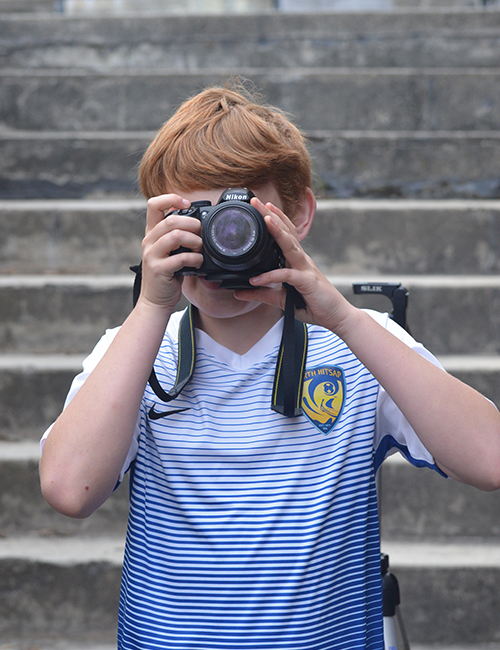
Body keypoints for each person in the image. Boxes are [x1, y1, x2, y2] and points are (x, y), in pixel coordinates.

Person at [39, 82, 500, 650]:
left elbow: (491, 459)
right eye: (194, 220)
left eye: (239, 217)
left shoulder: (360, 347)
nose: (220, 242)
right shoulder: (132, 352)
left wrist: (347, 320)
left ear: (298, 213)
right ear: (156, 227)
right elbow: (68, 489)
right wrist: (153, 305)